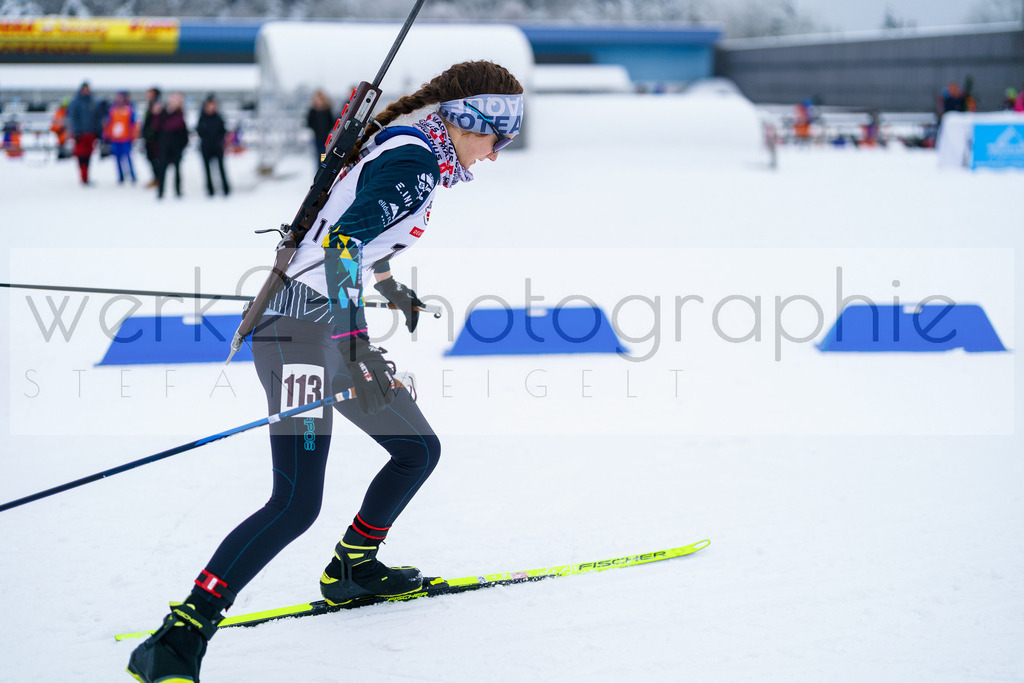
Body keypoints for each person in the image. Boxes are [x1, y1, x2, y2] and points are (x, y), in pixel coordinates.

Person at [127, 59, 524, 683]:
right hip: (298, 335)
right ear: (468, 122)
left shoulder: (416, 152)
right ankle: (177, 639)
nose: (497, 154)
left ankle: (352, 568)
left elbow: (362, 236)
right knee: (294, 503)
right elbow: (341, 245)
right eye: (499, 138)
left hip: (325, 329)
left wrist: (388, 288)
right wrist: (356, 346)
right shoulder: (417, 161)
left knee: (417, 449)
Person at [155, 92, 188, 199]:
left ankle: (178, 190)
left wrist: (182, 145)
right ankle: (160, 191)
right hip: (164, 146)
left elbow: (183, 132)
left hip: (176, 147)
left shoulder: (180, 115)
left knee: (177, 170)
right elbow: (156, 127)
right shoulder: (162, 113)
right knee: (162, 169)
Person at [196, 94, 230, 196]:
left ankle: (225, 188)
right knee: (207, 170)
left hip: (217, 147)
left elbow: (223, 131)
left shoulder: (218, 118)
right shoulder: (202, 118)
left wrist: (219, 141)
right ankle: (210, 189)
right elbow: (199, 131)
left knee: (221, 168)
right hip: (206, 147)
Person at [67, 82, 100, 185]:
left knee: (88, 155)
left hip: (90, 133)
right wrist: (76, 131)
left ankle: (86, 176)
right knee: (81, 155)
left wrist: (97, 131)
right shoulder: (76, 102)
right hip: (81, 134)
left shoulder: (92, 102)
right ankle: (83, 176)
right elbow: (73, 118)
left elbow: (96, 118)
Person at [104, 91, 137, 184]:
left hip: (125, 138)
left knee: (127, 157)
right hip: (115, 138)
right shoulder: (112, 109)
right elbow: (108, 123)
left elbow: (133, 124)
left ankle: (132, 175)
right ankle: (120, 176)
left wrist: (132, 136)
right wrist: (107, 134)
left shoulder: (129, 109)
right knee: (117, 158)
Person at [141, 88, 163, 188]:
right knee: (151, 158)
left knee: (155, 159)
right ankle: (156, 178)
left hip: (154, 139)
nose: (147, 95)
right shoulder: (150, 105)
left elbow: (156, 124)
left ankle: (158, 179)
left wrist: (151, 134)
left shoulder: (156, 105)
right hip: (149, 138)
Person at [306, 88, 335, 163]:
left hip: (327, 137)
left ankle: (324, 164)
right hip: (317, 137)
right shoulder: (313, 111)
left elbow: (332, 121)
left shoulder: (327, 110)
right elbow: (309, 122)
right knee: (319, 154)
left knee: (324, 153)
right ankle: (320, 166)